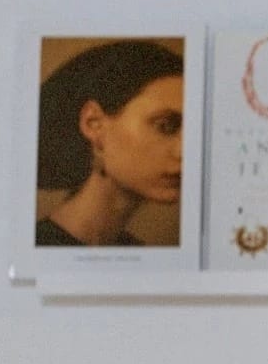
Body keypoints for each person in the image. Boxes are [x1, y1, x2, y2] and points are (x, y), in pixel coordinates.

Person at [34, 39, 185, 248]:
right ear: (93, 124)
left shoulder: (138, 253)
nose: (184, 151)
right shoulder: (40, 247)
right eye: (165, 126)